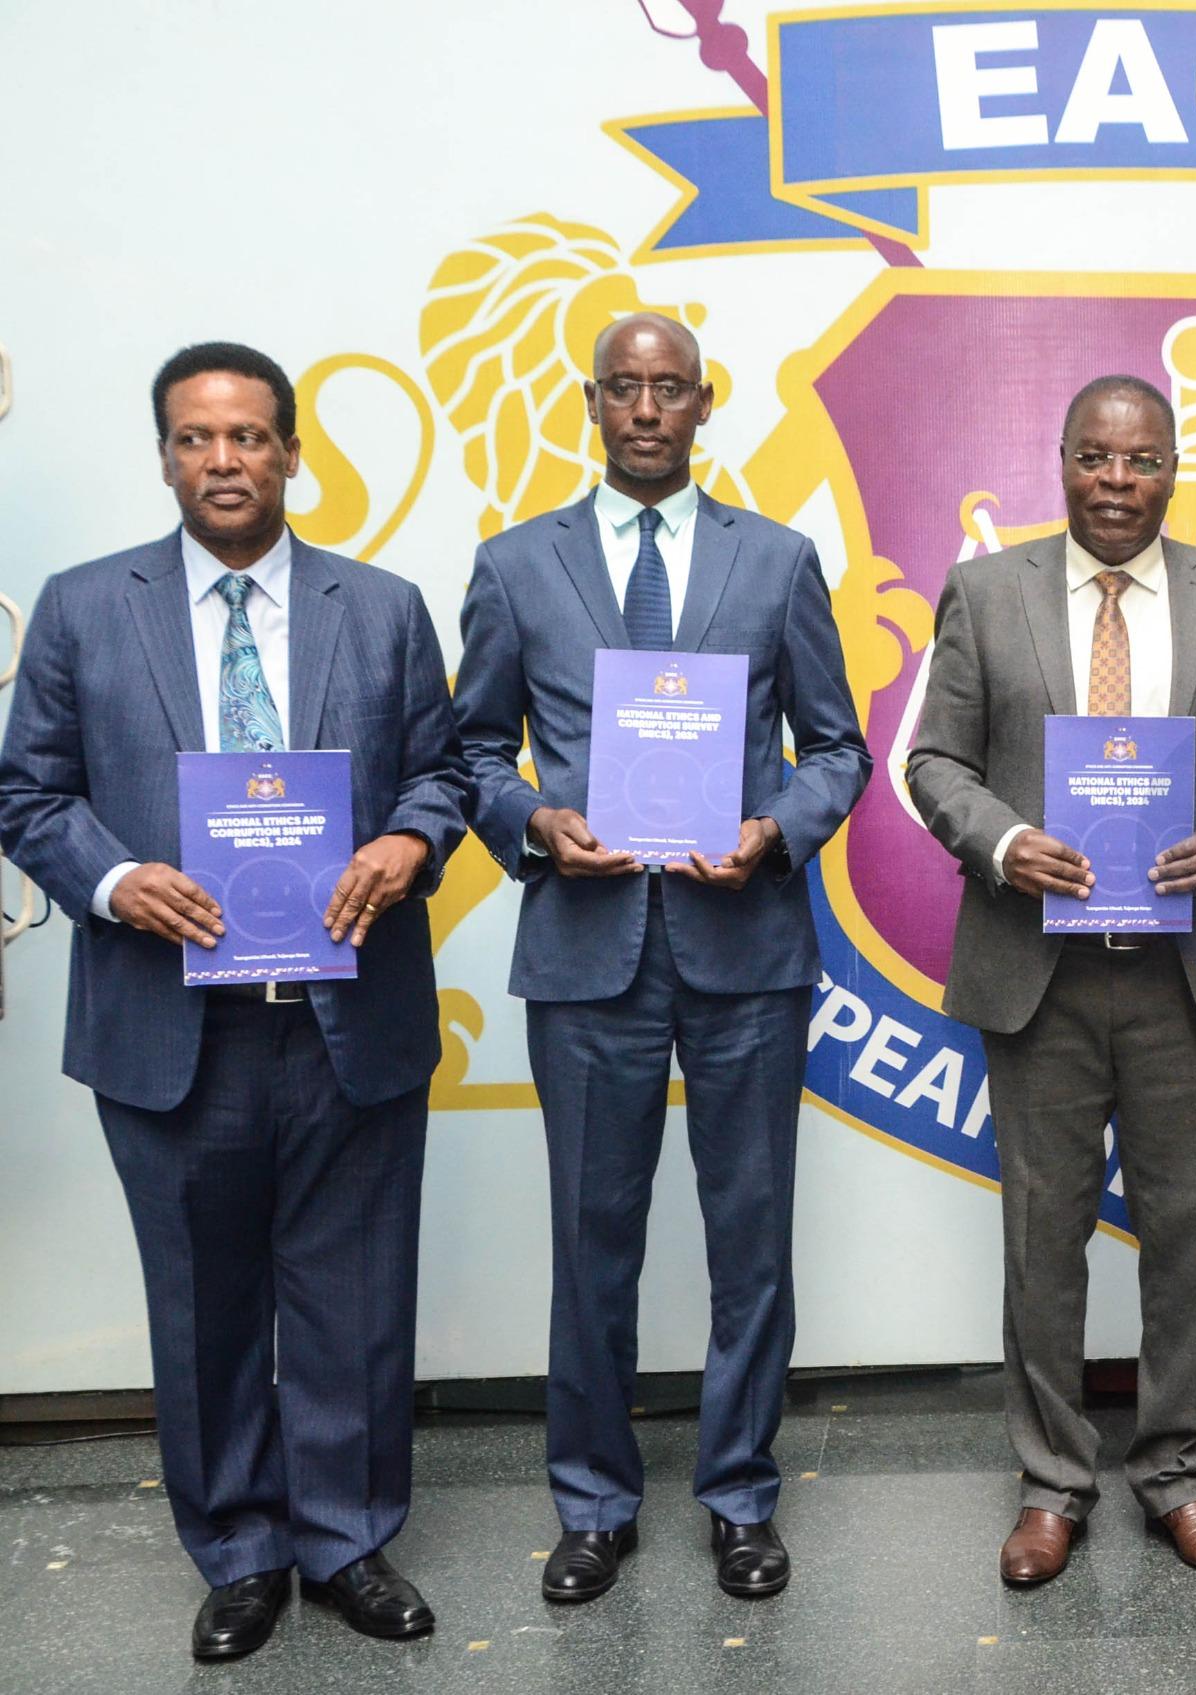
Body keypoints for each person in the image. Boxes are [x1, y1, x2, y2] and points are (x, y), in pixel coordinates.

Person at [0, 343, 468, 1659]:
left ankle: (346, 1538)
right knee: (202, 1303)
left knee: (352, 1296)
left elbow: (441, 772)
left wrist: (411, 841)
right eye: (197, 438)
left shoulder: (383, 607)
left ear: (291, 453)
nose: (224, 460)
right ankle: (242, 1551)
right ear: (164, 457)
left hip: (345, 1012)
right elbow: (27, 792)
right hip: (169, 1019)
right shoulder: (85, 608)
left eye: (249, 436)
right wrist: (115, 881)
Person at [451, 312, 870, 1601]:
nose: (646, 408)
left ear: (704, 404)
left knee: (751, 1245)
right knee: (593, 1242)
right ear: (590, 403)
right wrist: (534, 824)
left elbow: (837, 747)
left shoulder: (777, 559)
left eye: (669, 388)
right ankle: (592, 1506)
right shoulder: (516, 563)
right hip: (587, 953)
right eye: (624, 388)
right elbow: (473, 752)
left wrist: (774, 831)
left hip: (746, 948)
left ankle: (741, 1497)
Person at [906, 374, 1196, 1585]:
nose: (1116, 481)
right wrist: (1001, 843)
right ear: (1063, 462)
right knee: (1044, 1238)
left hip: (1188, 970)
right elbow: (934, 760)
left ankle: (1178, 1472)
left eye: (1140, 460)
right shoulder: (987, 592)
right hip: (1041, 972)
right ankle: (1052, 1484)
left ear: (1173, 469)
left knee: (1184, 1234)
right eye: (1094, 457)